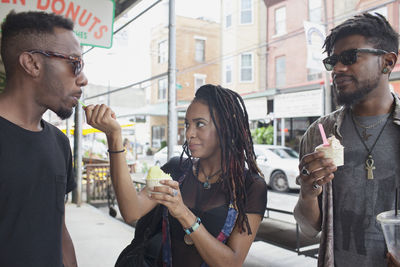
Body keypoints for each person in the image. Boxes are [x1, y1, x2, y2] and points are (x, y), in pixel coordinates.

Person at [85, 84, 267, 267]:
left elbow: (232, 262)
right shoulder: (177, 170)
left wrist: (183, 214)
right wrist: (114, 137)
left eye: (200, 124)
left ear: (226, 128)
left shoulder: (250, 187)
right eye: (187, 124)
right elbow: (131, 211)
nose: (189, 133)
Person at [293, 13, 400, 267]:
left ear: (387, 62)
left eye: (350, 57)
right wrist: (309, 192)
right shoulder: (319, 133)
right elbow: (309, 228)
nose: (338, 69)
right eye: (333, 61)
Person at [0, 11, 88, 267]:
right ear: (32, 64)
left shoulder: (60, 143)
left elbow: (58, 232)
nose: (83, 78)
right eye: (75, 63)